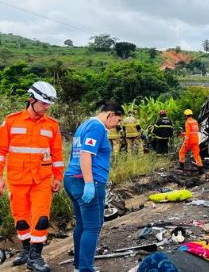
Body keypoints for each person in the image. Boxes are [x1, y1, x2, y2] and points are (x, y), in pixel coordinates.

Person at [0, 81, 64, 272]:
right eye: (43, 104)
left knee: (41, 218)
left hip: (42, 180)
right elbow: (1, 151)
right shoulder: (11, 122)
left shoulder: (52, 125)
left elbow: (57, 154)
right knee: (20, 218)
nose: (46, 108)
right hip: (17, 179)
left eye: (48, 105)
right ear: (31, 100)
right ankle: (26, 250)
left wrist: (58, 177)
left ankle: (36, 257)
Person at [64, 101, 124, 272]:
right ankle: (85, 268)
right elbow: (85, 154)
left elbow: (74, 154)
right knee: (93, 226)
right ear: (110, 114)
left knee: (82, 224)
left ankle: (79, 266)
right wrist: (89, 183)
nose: (117, 125)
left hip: (72, 179)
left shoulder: (84, 125)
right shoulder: (97, 128)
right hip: (87, 180)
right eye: (118, 121)